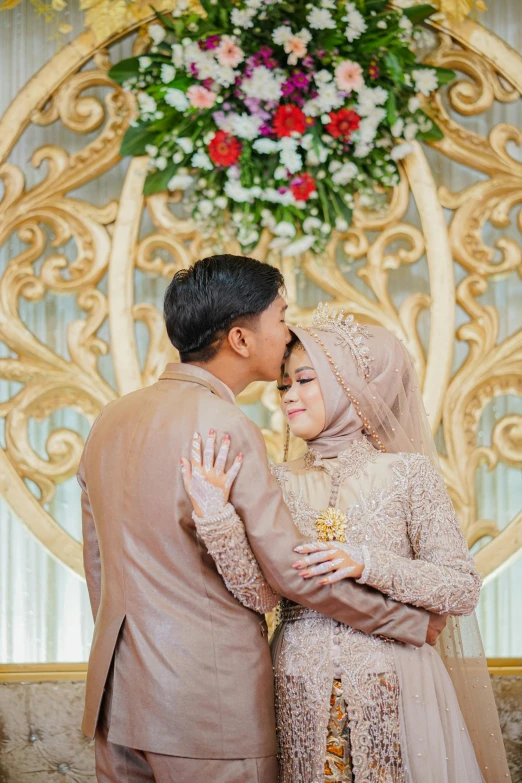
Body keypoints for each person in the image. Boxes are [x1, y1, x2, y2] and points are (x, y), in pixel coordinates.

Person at [78, 255, 445, 783]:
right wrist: (406, 621)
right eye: (280, 316)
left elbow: (98, 567)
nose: (288, 330)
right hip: (209, 708)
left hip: (119, 702)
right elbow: (290, 571)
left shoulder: (106, 422)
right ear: (241, 339)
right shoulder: (225, 424)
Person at [181, 302, 511, 783]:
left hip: (397, 687)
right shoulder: (277, 480)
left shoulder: (407, 475)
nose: (289, 396)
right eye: (283, 385)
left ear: (353, 388)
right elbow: (261, 594)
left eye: (306, 380)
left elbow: (461, 588)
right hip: (297, 688)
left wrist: (367, 562)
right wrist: (216, 516)